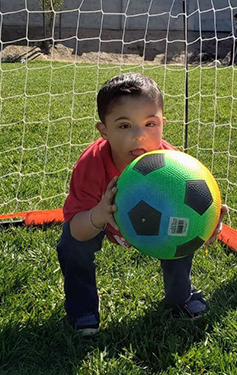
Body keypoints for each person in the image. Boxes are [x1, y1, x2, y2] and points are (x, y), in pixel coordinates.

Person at [56, 73, 227, 336]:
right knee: (71, 246)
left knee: (180, 239)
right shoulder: (91, 165)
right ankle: (83, 310)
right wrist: (98, 216)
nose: (139, 136)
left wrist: (205, 223)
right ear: (104, 131)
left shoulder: (175, 170)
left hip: (159, 230)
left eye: (150, 124)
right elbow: (77, 231)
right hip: (102, 220)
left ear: (162, 124)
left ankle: (180, 296)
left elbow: (199, 215)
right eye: (124, 126)